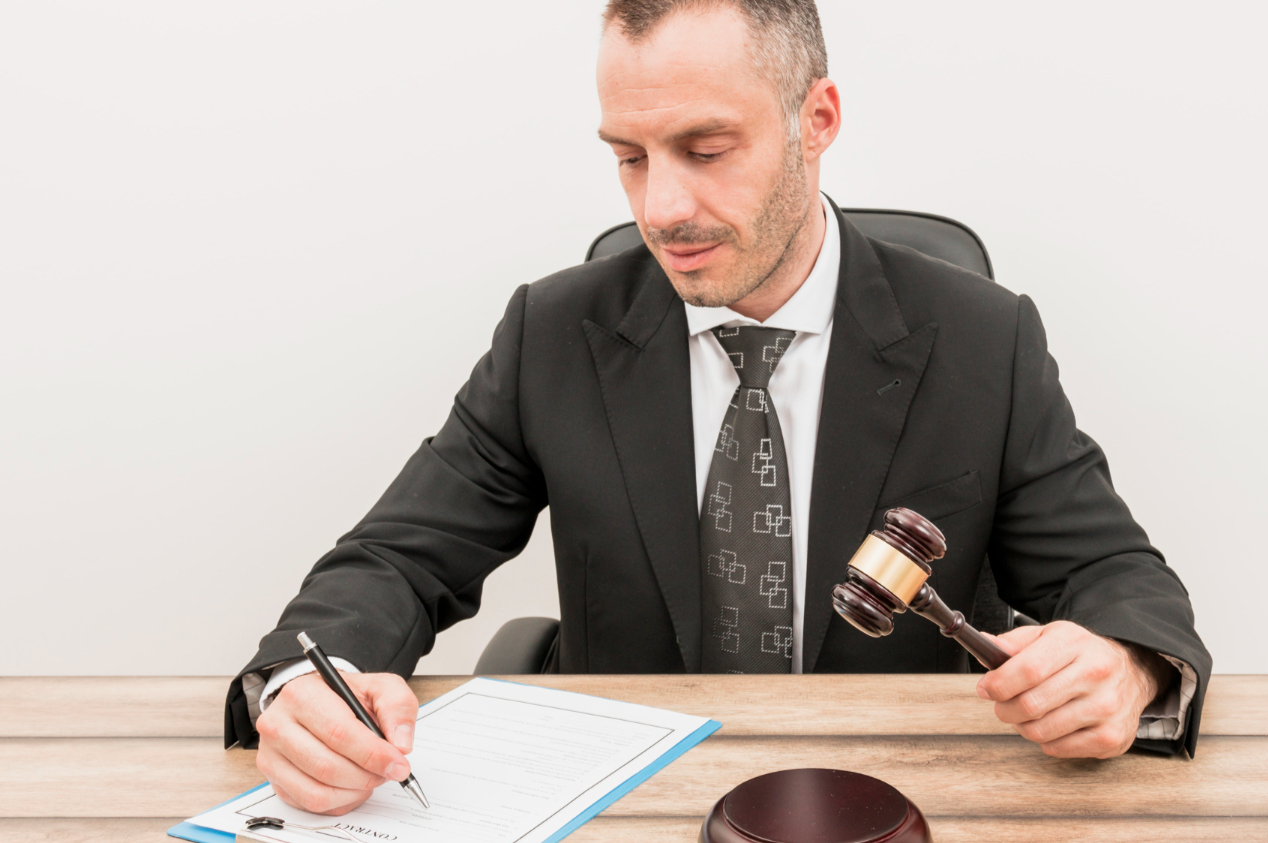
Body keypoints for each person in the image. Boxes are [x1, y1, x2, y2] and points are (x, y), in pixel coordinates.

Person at [227, 0, 1212, 817]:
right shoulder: (554, 332)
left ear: (815, 119)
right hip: (634, 801)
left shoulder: (980, 336)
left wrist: (1123, 664)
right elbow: (397, 558)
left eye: (705, 147)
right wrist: (308, 684)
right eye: (630, 156)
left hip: (898, 802)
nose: (660, 208)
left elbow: (1110, 572)